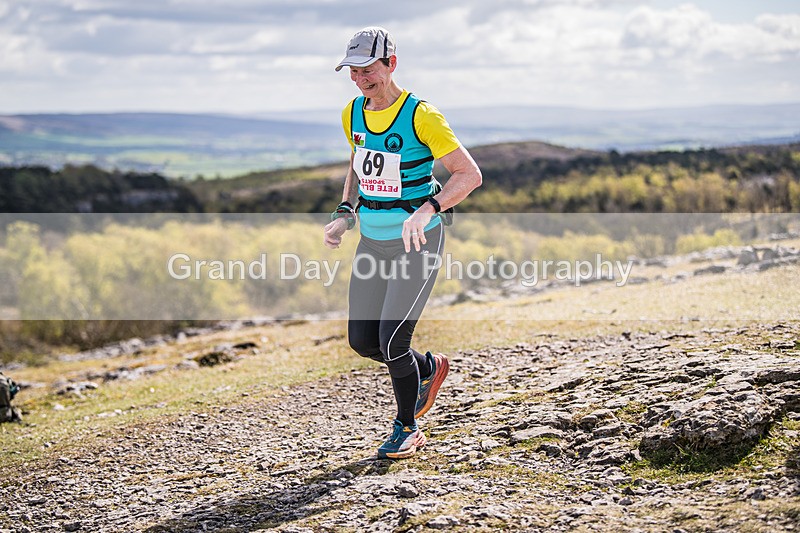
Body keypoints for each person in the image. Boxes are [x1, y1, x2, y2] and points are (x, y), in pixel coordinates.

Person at [324, 27, 482, 459]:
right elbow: (357, 164)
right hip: (372, 242)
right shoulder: (352, 113)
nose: (360, 79)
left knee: (394, 339)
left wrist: (428, 208)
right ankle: (427, 369)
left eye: (367, 70)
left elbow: (469, 175)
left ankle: (407, 426)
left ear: (391, 63)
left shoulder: (421, 115)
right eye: (352, 71)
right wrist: (344, 211)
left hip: (418, 241)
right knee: (362, 340)